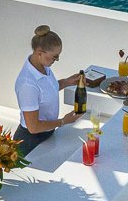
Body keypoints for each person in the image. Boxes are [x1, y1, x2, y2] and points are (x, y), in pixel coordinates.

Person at [14, 25, 84, 155]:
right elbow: (33, 127)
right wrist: (63, 121)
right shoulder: (27, 85)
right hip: (30, 142)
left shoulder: (43, 66)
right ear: (39, 53)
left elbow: (46, 90)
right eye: (54, 57)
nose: (56, 60)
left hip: (48, 133)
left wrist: (67, 81)